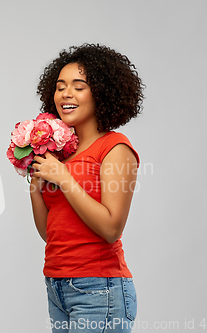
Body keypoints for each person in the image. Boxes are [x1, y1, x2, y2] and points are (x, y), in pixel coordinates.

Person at [30, 44, 144, 333]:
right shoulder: (60, 155)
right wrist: (35, 184)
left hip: (99, 287)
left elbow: (111, 228)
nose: (66, 94)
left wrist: (64, 178)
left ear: (101, 93)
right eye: (60, 87)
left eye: (78, 87)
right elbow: (50, 234)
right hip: (57, 284)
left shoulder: (115, 147)